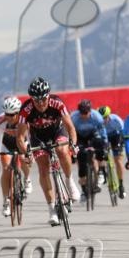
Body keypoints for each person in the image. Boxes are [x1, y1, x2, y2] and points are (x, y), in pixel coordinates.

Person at [16, 77, 80, 226]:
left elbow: (71, 128)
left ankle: (69, 182)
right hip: (38, 137)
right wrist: (27, 153)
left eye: (43, 99)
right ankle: (51, 208)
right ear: (31, 99)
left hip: (58, 132)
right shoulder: (25, 110)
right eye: (36, 100)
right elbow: (20, 137)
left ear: (48, 96)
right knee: (43, 169)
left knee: (61, 150)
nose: (40, 103)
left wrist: (73, 144)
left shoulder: (57, 103)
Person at [0, 96, 33, 217]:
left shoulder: (24, 120)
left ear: (18, 113)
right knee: (6, 169)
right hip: (7, 144)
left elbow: (30, 138)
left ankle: (27, 178)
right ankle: (6, 201)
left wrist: (29, 154)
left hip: (22, 142)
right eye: (6, 114)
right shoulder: (0, 120)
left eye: (12, 114)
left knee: (23, 158)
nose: (8, 117)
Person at [71, 99, 108, 203]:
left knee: (100, 144)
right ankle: (84, 190)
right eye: (82, 113)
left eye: (86, 113)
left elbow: (103, 132)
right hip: (80, 137)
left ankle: (101, 170)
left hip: (93, 135)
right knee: (81, 157)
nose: (84, 115)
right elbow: (70, 133)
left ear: (90, 111)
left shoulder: (97, 117)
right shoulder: (74, 118)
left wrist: (104, 144)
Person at [98, 105, 127, 198]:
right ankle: (102, 171)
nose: (104, 120)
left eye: (105, 117)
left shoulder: (116, 120)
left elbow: (123, 133)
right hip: (104, 137)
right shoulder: (97, 122)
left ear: (109, 115)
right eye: (102, 118)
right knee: (100, 152)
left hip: (115, 137)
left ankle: (121, 185)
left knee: (118, 160)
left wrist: (121, 144)